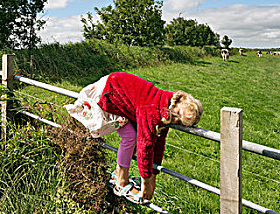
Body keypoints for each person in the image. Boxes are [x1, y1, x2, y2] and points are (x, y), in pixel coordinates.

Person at [64, 72, 203, 203]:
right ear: (178, 101)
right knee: (131, 137)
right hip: (110, 91)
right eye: (178, 112)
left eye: (179, 121)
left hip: (117, 87)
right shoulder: (153, 109)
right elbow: (145, 145)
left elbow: (159, 143)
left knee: (137, 134)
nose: (175, 117)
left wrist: (154, 175)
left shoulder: (165, 110)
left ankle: (118, 172)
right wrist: (146, 181)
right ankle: (121, 181)